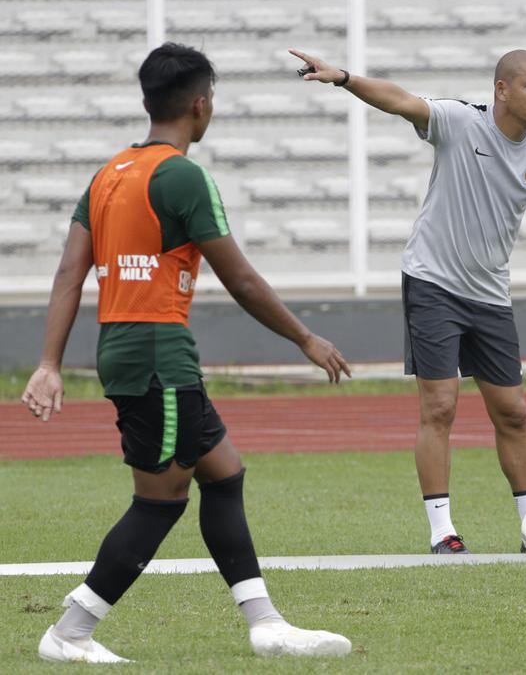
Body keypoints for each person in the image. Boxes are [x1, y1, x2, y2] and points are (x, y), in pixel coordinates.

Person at [20, 43, 354, 663]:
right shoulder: (182, 175)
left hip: (125, 346)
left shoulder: (108, 172)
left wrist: (48, 363)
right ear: (201, 106)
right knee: (162, 498)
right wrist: (305, 338)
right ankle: (69, 631)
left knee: (223, 474)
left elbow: (69, 273)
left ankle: (265, 623)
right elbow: (242, 278)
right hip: (156, 354)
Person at [290, 48, 526, 554]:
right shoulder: (462, 123)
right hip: (433, 283)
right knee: (440, 406)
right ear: (501, 89)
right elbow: (400, 101)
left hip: (490, 294)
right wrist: (344, 78)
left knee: (513, 412)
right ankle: (442, 532)